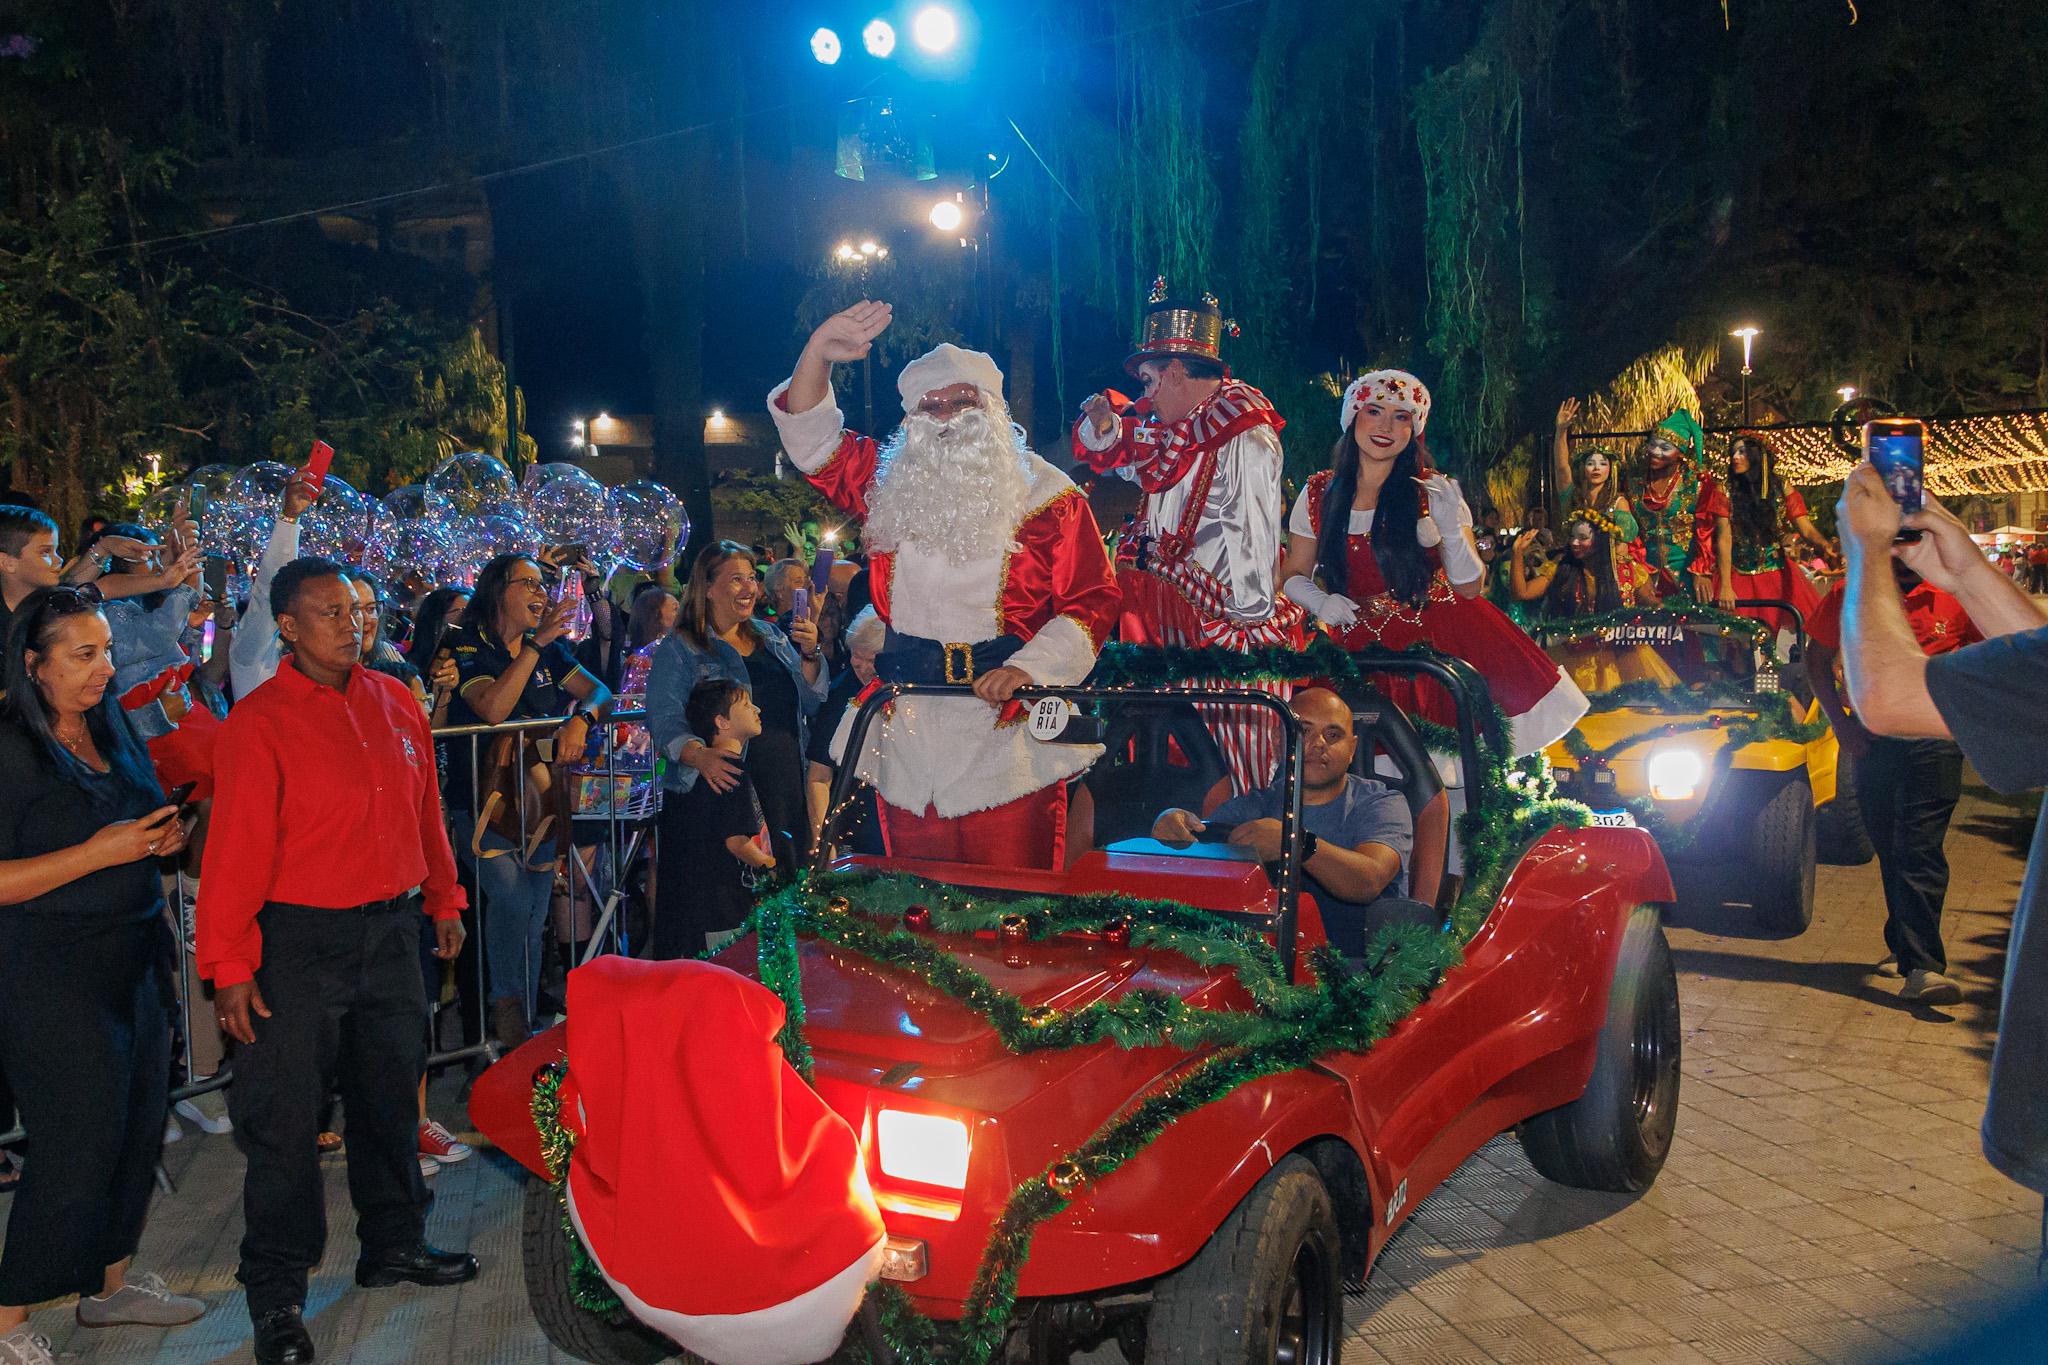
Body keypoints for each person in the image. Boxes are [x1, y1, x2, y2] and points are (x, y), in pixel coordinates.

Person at [197, 557, 478, 1365]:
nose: (352, 623)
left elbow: (426, 811)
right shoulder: (258, 720)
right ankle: (277, 1291)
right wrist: (229, 965)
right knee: (285, 1122)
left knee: (390, 1098)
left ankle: (393, 1242)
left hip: (391, 934)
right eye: (329, 611)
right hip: (297, 943)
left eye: (359, 608)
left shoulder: (396, 700)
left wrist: (444, 898)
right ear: (286, 626)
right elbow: (236, 853)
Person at [766, 301, 1121, 867]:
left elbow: (1092, 599)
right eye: (930, 407)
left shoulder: (1050, 496)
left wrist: (1029, 669)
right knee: (917, 903)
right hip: (909, 723)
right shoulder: (889, 482)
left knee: (1010, 906)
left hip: (1007, 726)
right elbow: (811, 442)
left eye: (962, 401)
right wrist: (817, 354)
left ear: (993, 409)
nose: (948, 416)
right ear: (911, 422)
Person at [0, 587, 205, 1362]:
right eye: (82, 655)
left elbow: (135, 819)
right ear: (34, 664)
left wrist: (162, 835)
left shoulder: (110, 724)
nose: (103, 668)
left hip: (132, 954)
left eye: (106, 651)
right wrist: (101, 851)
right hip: (46, 968)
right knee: (74, 1138)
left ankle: (108, 1286)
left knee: (135, 1124)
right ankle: (8, 1322)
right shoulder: (10, 746)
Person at [1837, 464, 2048, 1209]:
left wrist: (1863, 548)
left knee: (1918, 849)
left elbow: (1888, 695)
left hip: (1926, 738)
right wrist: (1969, 573)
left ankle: (1920, 955)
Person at [1279, 370, 1587, 759]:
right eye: (1374, 411)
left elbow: (1470, 587)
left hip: (1442, 638)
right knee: (1364, 768)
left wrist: (1451, 531)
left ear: (1415, 427)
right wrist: (1319, 602)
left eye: (1401, 416)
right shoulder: (1319, 492)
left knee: (1451, 772)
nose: (1386, 426)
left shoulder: (1434, 489)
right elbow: (1293, 573)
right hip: (1360, 647)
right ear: (1353, 417)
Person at [1072, 282, 1304, 791]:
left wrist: (1235, 627)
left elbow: (1252, 544)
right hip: (1164, 630)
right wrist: (1108, 429)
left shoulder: (1244, 434)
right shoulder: (1179, 436)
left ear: (1177, 371)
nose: (1146, 394)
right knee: (1167, 781)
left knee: (1241, 781)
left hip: (1222, 640)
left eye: (1151, 379)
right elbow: (1134, 462)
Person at [443, 552, 613, 1050]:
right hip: (482, 801)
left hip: (539, 798)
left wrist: (582, 719)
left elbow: (600, 691)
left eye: (545, 585)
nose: (542, 594)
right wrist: (534, 648)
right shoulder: (467, 643)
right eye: (530, 584)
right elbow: (493, 709)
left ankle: (522, 1030)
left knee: (537, 909)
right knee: (513, 899)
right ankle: (507, 1009)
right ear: (499, 590)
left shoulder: (552, 651)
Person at [1805, 560, 1979, 1004]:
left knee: (1918, 847)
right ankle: (1903, 942)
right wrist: (1841, 726)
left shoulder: (1954, 593)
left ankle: (1923, 967)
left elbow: (1987, 660)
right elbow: (1816, 658)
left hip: (1935, 738)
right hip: (1872, 740)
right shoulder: (1850, 593)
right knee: (1889, 843)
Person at [1149, 687, 1432, 957]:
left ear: (1352, 749)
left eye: (1333, 734)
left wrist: (1295, 842)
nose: (1318, 743)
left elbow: (1368, 880)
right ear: (1277, 739)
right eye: (1303, 731)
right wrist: (1170, 824)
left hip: (1358, 973)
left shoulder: (1381, 803)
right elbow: (1199, 845)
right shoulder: (1255, 805)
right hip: (1266, 965)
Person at [645, 542, 824, 880]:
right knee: (736, 908)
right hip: (727, 796)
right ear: (708, 588)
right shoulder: (682, 648)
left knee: (787, 895)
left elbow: (813, 701)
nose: (750, 588)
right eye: (737, 580)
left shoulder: (772, 637)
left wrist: (812, 654)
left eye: (753, 579)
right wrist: (701, 757)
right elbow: (663, 719)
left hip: (785, 788)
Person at [653, 680, 776, 959]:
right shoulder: (728, 768)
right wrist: (770, 865)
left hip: (699, 905)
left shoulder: (696, 772)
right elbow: (736, 841)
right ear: (722, 721)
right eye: (745, 705)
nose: (756, 709)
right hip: (722, 906)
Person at [1725, 433, 1829, 642]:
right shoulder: (1725, 490)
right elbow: (1722, 539)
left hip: (1776, 574)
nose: (1735, 457)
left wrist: (1825, 546)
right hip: (1737, 573)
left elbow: (1806, 529)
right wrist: (1724, 584)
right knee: (1739, 642)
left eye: (1742, 452)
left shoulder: (1781, 488)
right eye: (1733, 452)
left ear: (1757, 457)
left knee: (1774, 638)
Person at [228, 473, 318, 700]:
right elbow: (271, 593)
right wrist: (289, 519)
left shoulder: (331, 669)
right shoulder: (252, 654)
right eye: (331, 611)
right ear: (288, 620)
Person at [1632, 408, 1734, 608]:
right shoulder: (1635, 484)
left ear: (1680, 452)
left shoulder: (1697, 484)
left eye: (1665, 448)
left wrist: (1701, 571)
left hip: (1688, 578)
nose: (1655, 452)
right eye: (1653, 445)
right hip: (1646, 579)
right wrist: (1637, 572)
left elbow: (1707, 530)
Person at [807, 606, 886, 853]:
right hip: (855, 828)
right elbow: (818, 776)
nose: (862, 668)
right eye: (856, 658)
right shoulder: (842, 693)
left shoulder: (913, 692)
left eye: (872, 660)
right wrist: (824, 843)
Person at [1551, 398, 1642, 556]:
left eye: (1602, 463)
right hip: (1574, 563)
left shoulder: (1618, 503)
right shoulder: (1573, 496)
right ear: (1583, 468)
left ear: (1610, 470)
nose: (1596, 468)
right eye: (1591, 463)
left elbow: (1622, 547)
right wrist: (1561, 431)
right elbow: (1561, 468)